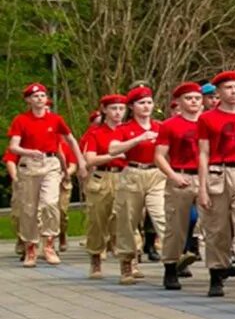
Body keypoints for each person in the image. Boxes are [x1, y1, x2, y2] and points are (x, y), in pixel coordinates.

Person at [196, 71, 235, 297]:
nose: (233, 92)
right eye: (228, 88)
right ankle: (217, 272)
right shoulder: (207, 119)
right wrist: (202, 188)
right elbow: (203, 153)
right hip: (217, 174)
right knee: (217, 228)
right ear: (219, 92)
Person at [9, 83, 82, 266]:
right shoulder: (21, 120)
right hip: (30, 164)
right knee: (29, 208)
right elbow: (13, 146)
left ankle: (49, 244)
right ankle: (30, 248)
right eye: (35, 96)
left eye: (42, 96)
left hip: (50, 163)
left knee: (50, 203)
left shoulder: (55, 119)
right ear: (28, 100)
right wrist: (28, 151)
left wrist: (80, 162)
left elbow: (71, 140)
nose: (39, 99)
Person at [109, 87, 167, 285]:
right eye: (141, 103)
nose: (146, 106)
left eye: (149, 102)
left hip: (156, 174)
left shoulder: (160, 126)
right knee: (128, 220)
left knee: (161, 213)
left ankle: (172, 254)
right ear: (132, 107)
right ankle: (127, 262)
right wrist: (138, 139)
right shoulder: (124, 128)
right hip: (132, 173)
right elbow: (113, 149)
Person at [154, 84, 206, 288]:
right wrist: (173, 175)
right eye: (188, 98)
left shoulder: (207, 122)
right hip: (181, 177)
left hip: (206, 178)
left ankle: (219, 267)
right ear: (179, 102)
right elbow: (159, 156)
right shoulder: (170, 125)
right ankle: (170, 267)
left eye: (197, 98)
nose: (194, 102)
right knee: (176, 226)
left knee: (214, 224)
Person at [80, 96, 129, 278]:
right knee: (97, 220)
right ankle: (95, 258)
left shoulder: (128, 131)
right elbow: (90, 159)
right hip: (102, 176)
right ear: (105, 110)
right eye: (114, 108)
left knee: (126, 220)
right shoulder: (95, 133)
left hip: (125, 176)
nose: (118, 112)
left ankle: (129, 261)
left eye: (121, 109)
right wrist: (114, 155)